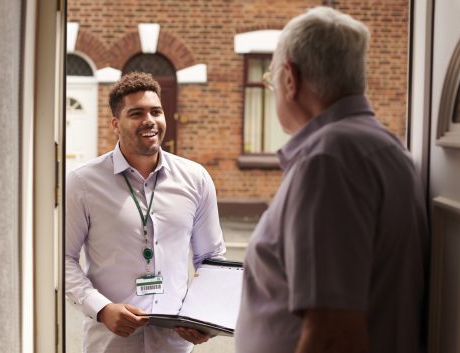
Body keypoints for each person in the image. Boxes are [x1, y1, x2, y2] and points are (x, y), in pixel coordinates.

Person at [234, 7, 428, 353]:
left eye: (270, 79)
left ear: (290, 78)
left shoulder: (327, 161)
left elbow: (333, 335)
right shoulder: (383, 145)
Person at [65, 71, 226, 353]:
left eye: (156, 111)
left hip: (174, 345)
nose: (149, 120)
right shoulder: (82, 183)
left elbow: (211, 258)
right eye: (136, 113)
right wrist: (101, 308)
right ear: (116, 124)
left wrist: (204, 316)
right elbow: (62, 260)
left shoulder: (196, 179)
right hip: (111, 345)